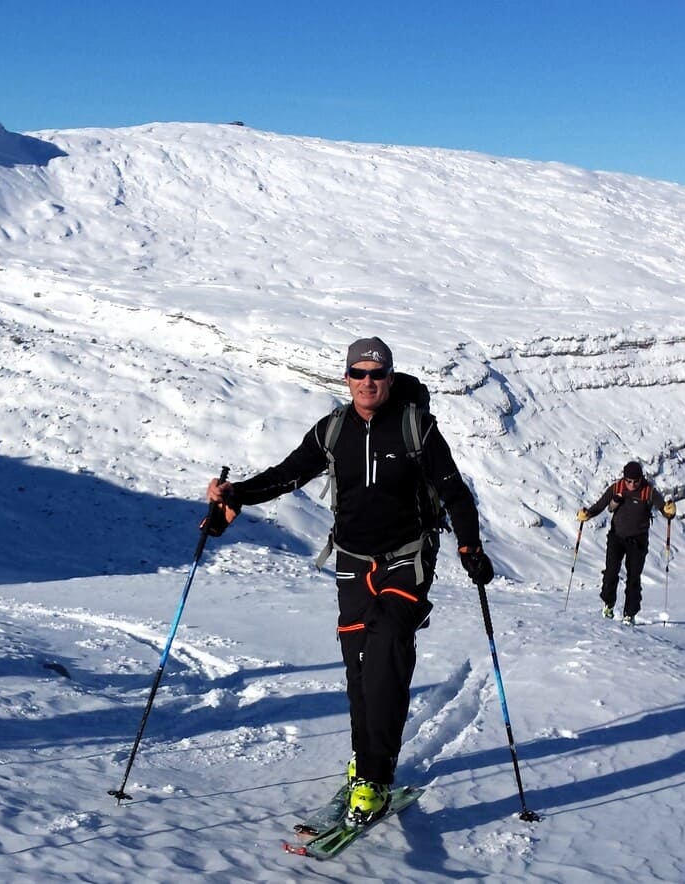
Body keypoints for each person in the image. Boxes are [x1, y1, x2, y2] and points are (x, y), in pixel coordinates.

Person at [205, 336, 495, 826]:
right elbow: (287, 475)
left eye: (376, 375)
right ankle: (365, 763)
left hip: (408, 558)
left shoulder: (415, 428)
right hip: (353, 562)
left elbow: (454, 493)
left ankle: (376, 777)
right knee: (359, 670)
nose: (367, 382)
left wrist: (470, 546)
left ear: (389, 379)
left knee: (385, 650)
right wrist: (237, 495)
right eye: (358, 374)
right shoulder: (332, 429)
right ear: (346, 379)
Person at [577, 460, 676, 625]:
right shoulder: (616, 488)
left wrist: (669, 511)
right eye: (628, 480)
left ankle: (629, 614)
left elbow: (664, 511)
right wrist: (587, 514)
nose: (631, 484)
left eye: (635, 481)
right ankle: (608, 603)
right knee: (610, 572)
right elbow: (601, 505)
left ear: (640, 479)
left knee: (633, 578)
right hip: (616, 537)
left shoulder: (648, 492)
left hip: (638, 541)